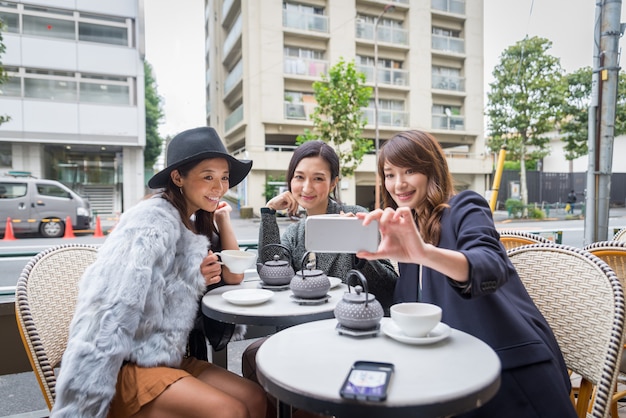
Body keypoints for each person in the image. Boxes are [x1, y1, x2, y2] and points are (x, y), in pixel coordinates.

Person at [356, 130, 577, 417]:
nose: (399, 184)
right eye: (390, 174)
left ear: (431, 170)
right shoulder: (407, 229)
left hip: (509, 373)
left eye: (410, 170)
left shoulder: (465, 207)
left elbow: (490, 264)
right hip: (453, 372)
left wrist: (424, 253)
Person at [51, 127, 267, 418]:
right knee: (229, 411)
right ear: (178, 178)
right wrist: (193, 280)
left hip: (171, 358)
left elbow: (232, 276)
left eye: (224, 177)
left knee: (254, 399)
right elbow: (115, 306)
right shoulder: (150, 221)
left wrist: (219, 226)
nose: (219, 187)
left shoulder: (192, 221)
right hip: (129, 365)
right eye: (208, 176)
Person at [242, 140, 398, 418]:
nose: (307, 187)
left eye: (318, 178)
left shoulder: (356, 217)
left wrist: (360, 247)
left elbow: (388, 289)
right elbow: (268, 269)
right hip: (302, 331)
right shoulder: (295, 233)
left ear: (334, 181)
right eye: (299, 177)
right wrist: (268, 215)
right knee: (254, 355)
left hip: (350, 332)